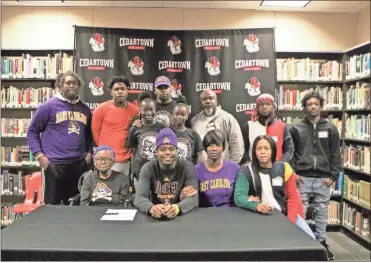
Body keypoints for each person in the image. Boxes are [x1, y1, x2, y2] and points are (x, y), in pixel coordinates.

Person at [27, 71, 92, 205]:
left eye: (75, 83)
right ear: (60, 86)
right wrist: (40, 156)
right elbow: (32, 132)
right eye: (68, 83)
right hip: (54, 164)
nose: (72, 86)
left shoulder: (84, 109)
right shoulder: (48, 106)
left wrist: (89, 156)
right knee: (52, 207)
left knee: (75, 204)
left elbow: (90, 135)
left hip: (78, 164)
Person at [290, 91, 341, 260]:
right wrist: (294, 173)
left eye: (316, 104)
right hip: (302, 178)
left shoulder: (330, 128)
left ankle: (321, 243)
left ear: (321, 106)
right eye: (309, 104)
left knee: (321, 212)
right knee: (300, 212)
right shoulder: (296, 127)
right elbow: (291, 152)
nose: (313, 107)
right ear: (304, 107)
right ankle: (301, 243)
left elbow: (336, 153)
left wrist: (333, 177)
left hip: (323, 179)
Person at [234, 135, 304, 223]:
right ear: (254, 151)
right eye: (259, 149)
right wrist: (255, 205)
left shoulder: (284, 167)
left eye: (266, 148)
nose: (262, 152)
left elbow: (292, 197)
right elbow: (239, 196)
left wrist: (291, 222)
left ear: (273, 150)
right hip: (256, 217)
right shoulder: (245, 170)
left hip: (282, 216)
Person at [134, 128, 198, 220]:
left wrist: (177, 208)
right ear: (156, 152)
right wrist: (151, 208)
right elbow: (139, 197)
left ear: (177, 150)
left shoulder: (188, 167)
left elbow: (194, 198)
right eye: (162, 149)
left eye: (171, 149)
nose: (167, 152)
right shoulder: (148, 168)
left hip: (180, 217)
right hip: (156, 216)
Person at [91, 75, 139, 176]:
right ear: (111, 92)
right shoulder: (101, 109)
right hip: (106, 159)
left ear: (127, 91)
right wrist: (105, 152)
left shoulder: (135, 110)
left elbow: (137, 133)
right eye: (116, 89)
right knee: (104, 190)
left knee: (123, 190)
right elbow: (95, 132)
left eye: (123, 89)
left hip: (126, 159)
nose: (120, 91)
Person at [191, 89, 244, 163]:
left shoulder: (228, 119)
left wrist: (231, 167)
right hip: (201, 171)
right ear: (200, 102)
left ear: (216, 100)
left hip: (223, 170)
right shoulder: (195, 121)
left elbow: (237, 146)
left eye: (211, 98)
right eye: (204, 99)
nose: (208, 101)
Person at [240, 93, 294, 165]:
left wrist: (280, 165)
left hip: (277, 170)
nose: (265, 106)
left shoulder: (282, 126)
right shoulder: (249, 126)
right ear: (257, 108)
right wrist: (251, 165)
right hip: (254, 169)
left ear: (273, 107)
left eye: (268, 104)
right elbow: (243, 149)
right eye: (262, 104)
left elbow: (289, 150)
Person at [126, 92, 166, 185]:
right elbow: (133, 152)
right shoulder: (135, 128)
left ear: (155, 110)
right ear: (140, 110)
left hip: (158, 172)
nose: (148, 113)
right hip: (140, 172)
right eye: (145, 110)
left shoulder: (162, 128)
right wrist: (133, 171)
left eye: (151, 109)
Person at [194, 130, 239, 207]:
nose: (214, 149)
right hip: (205, 214)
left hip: (230, 214)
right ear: (205, 148)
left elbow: (241, 195)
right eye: (210, 145)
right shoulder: (196, 170)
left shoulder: (235, 168)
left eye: (218, 145)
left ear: (223, 148)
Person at [172, 97, 204, 164]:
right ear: (173, 115)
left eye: (183, 115)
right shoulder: (167, 132)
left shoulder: (193, 134)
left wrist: (197, 170)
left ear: (187, 116)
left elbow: (199, 155)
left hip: (189, 172)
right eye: (177, 114)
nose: (179, 117)